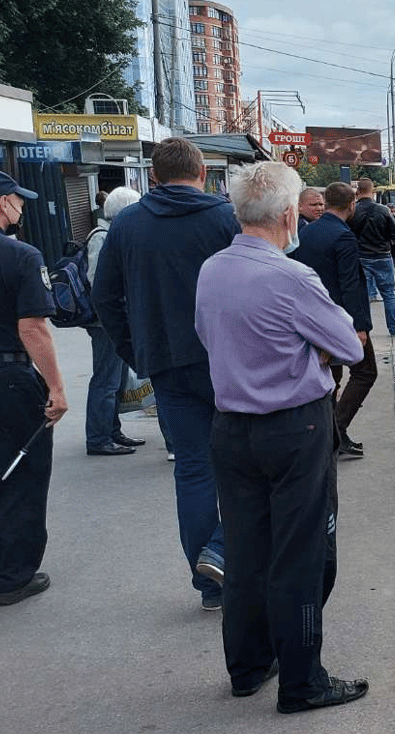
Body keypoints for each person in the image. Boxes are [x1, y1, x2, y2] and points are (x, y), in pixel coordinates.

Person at [195, 161, 368, 713]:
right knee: (301, 554)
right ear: (290, 215)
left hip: (231, 428)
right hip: (294, 428)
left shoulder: (213, 270)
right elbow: (351, 344)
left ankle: (247, 666)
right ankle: (303, 680)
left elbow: (210, 335)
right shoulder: (291, 277)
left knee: (246, 552)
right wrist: (309, 347)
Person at [92, 136, 236, 611]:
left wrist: (136, 350)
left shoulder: (127, 225)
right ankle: (222, 551)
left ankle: (210, 585)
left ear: (153, 176)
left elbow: (105, 297)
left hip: (167, 365)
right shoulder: (223, 217)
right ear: (201, 173)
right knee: (247, 463)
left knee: (194, 471)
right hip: (228, 361)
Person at [0, 170, 67, 606]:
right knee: (23, 474)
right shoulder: (20, 256)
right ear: (2, 204)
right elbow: (33, 328)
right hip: (9, 379)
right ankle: (13, 575)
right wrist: (57, 388)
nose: (21, 207)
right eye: (17, 199)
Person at [291, 181, 373, 457]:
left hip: (313, 316)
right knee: (365, 372)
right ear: (351, 205)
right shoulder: (343, 236)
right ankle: (334, 431)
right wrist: (360, 327)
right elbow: (350, 284)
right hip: (341, 319)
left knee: (331, 377)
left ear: (326, 203)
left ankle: (327, 435)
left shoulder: (308, 231)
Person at [84, 186, 143, 456]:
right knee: (106, 380)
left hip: (116, 317)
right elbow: (99, 282)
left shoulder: (114, 234)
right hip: (104, 321)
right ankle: (98, 437)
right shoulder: (102, 236)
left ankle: (112, 430)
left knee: (117, 380)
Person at [349, 178, 395, 334]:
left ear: (357, 192)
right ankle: (393, 328)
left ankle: (363, 330)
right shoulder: (383, 210)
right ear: (373, 192)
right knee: (389, 294)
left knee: (362, 295)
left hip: (361, 256)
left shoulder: (353, 210)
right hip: (382, 256)